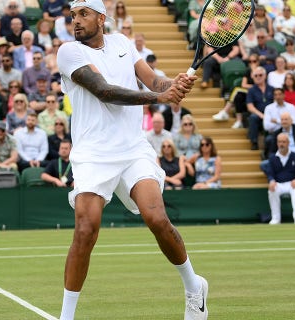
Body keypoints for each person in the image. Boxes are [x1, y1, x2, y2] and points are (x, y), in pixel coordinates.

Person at [56, 1, 207, 319]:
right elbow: (105, 91)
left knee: (156, 219)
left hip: (132, 150)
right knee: (85, 229)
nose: (76, 21)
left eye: (83, 14)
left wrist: (175, 85)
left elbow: (155, 83)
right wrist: (160, 97)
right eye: (73, 16)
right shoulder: (69, 51)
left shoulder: (123, 44)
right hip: (93, 155)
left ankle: (194, 287)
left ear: (101, 17)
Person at [266, 132, 295, 225]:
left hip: (292, 183)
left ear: (288, 143)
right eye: (279, 142)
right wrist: (271, 181)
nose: (281, 144)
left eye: (283, 142)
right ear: (277, 143)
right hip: (278, 184)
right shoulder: (272, 158)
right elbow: (270, 173)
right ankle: (275, 218)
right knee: (271, 190)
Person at [247, 67, 275, 150]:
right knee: (253, 117)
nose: (258, 77)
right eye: (256, 76)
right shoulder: (251, 90)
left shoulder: (272, 89)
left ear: (265, 76)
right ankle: (254, 142)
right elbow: (250, 106)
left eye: (260, 75)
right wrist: (261, 115)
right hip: (258, 115)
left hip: (271, 115)